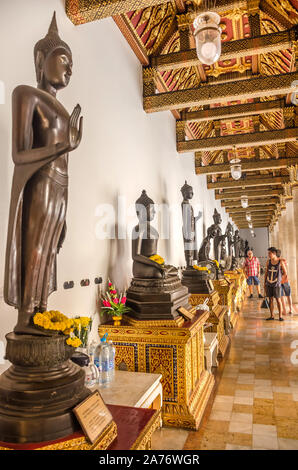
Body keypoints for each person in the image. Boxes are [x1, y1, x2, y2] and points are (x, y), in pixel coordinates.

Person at [264, 247, 287, 321]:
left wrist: (280, 281)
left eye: (269, 253)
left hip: (277, 284)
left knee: (278, 300)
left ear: (274, 254)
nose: (268, 255)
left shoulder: (280, 262)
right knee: (270, 300)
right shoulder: (268, 262)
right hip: (269, 283)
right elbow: (266, 273)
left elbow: (285, 273)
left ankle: (280, 316)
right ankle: (272, 316)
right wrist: (264, 283)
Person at [276, 249, 294, 315]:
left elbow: (285, 272)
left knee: (284, 296)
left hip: (283, 281)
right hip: (284, 280)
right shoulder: (283, 260)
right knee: (286, 296)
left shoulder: (281, 261)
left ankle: (286, 310)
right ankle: (289, 309)